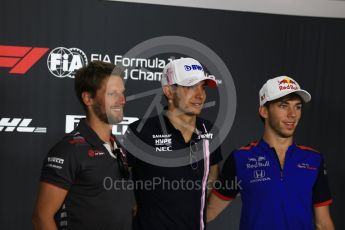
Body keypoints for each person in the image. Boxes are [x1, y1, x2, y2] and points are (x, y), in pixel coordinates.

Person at [207, 76, 334, 229]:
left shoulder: (314, 159)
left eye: (297, 107)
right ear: (264, 111)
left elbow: (323, 224)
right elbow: (210, 212)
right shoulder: (240, 158)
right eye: (283, 106)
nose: (292, 114)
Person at [122, 57, 222, 230]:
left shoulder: (209, 130)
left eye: (202, 87)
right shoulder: (141, 130)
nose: (200, 95)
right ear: (169, 91)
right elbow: (120, 182)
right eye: (191, 87)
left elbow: (212, 174)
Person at [32, 61, 133, 230]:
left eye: (122, 93)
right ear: (88, 98)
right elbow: (41, 218)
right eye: (112, 93)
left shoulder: (118, 148)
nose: (122, 100)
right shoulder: (68, 150)